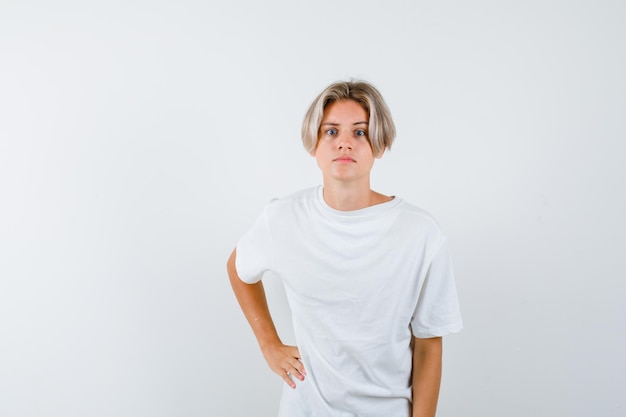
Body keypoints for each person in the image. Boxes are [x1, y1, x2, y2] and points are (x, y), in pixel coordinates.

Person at [227, 80, 463, 417]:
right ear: (314, 144)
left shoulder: (420, 233)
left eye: (360, 133)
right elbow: (238, 269)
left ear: (379, 145)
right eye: (331, 132)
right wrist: (269, 344)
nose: (344, 144)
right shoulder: (282, 218)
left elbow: (428, 346)